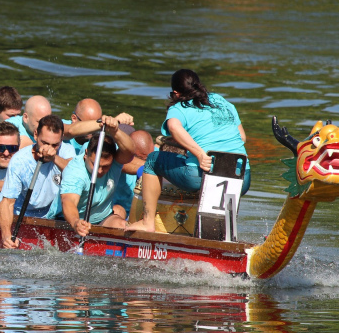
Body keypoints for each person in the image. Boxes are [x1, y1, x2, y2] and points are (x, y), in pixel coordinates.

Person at [126, 69, 250, 233]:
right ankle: (222, 233)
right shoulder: (221, 101)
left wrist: (199, 153)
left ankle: (147, 223)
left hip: (199, 175)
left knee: (152, 160)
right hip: (243, 177)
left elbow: (173, 127)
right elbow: (241, 138)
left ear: (176, 93)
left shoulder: (179, 107)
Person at [0, 115, 75, 248]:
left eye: (55, 145)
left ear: (61, 140)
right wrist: (6, 235)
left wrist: (54, 158)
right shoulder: (19, 161)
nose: (48, 149)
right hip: (25, 213)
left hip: (56, 214)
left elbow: (75, 174)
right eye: (44, 143)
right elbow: (7, 202)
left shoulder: (67, 151)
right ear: (35, 135)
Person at [60, 116, 137, 236]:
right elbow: (68, 201)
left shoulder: (115, 162)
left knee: (122, 225)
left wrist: (115, 130)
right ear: (86, 154)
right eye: (94, 164)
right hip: (68, 220)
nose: (99, 171)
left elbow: (130, 151)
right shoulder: (75, 171)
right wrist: (76, 222)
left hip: (103, 218)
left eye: (105, 166)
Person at [113, 129, 155, 214]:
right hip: (119, 211)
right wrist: (151, 167)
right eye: (145, 159)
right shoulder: (118, 152)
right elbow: (122, 162)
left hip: (144, 211)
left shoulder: (157, 152)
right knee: (118, 211)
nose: (149, 160)